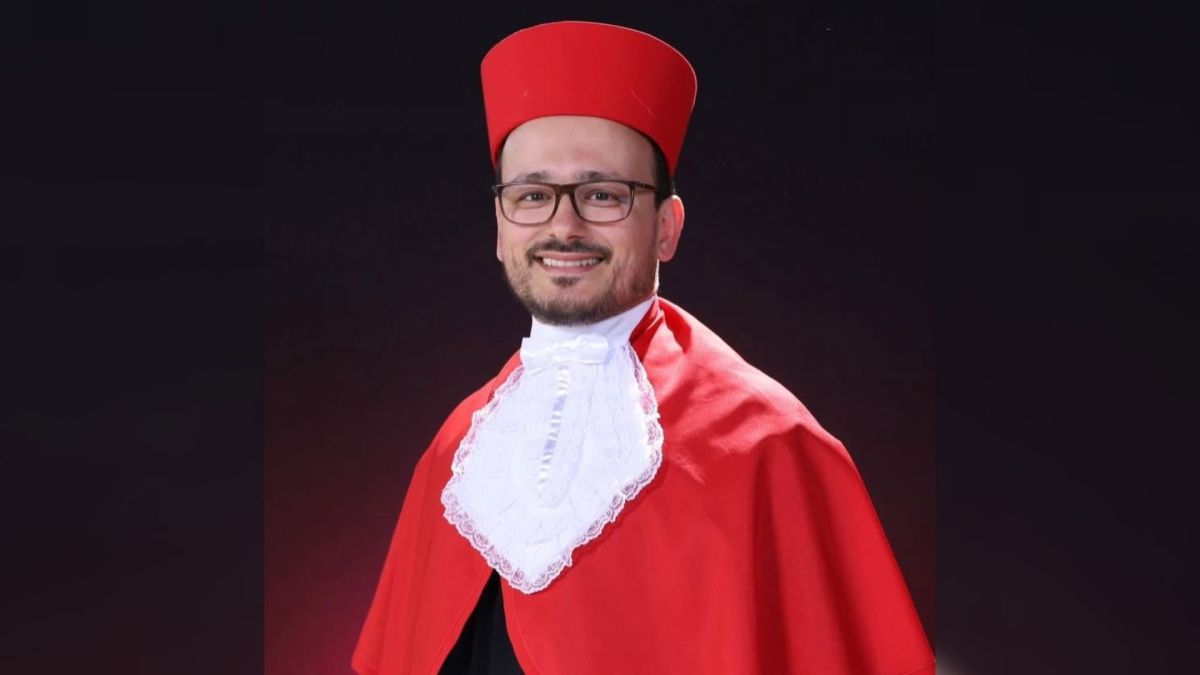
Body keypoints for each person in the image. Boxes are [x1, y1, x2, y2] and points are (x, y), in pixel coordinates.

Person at [352, 20, 933, 675]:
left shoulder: (770, 447)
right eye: (532, 195)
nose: (564, 225)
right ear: (500, 226)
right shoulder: (456, 455)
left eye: (603, 195)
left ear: (666, 228)